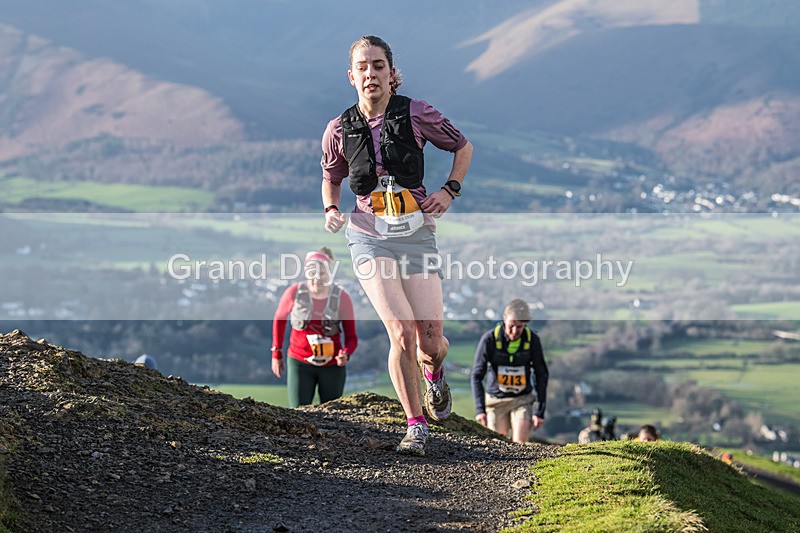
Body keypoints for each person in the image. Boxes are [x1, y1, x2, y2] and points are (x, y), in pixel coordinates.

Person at [320, 35, 473, 456]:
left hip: (416, 234)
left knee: (429, 340)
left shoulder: (417, 113)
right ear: (352, 76)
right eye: (363, 67)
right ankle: (415, 425)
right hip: (368, 237)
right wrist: (331, 208)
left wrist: (449, 190)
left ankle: (435, 375)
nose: (371, 73)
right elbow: (331, 176)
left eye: (379, 65)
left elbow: (463, 147)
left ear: (392, 73)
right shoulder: (338, 129)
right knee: (401, 332)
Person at [270, 248, 358, 408]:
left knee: (333, 415)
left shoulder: (342, 298)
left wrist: (346, 354)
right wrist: (277, 354)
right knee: (298, 414)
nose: (316, 278)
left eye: (322, 273)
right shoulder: (294, 293)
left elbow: (352, 337)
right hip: (299, 362)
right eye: (312, 273)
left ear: (329, 274)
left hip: (332, 366)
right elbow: (279, 319)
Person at [471, 299, 549, 444]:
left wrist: (540, 412)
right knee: (498, 445)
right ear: (504, 320)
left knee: (519, 444)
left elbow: (541, 374)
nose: (514, 331)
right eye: (511, 326)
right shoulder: (489, 340)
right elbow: (476, 375)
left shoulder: (532, 340)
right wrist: (480, 409)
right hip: (496, 401)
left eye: (519, 327)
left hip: (522, 400)